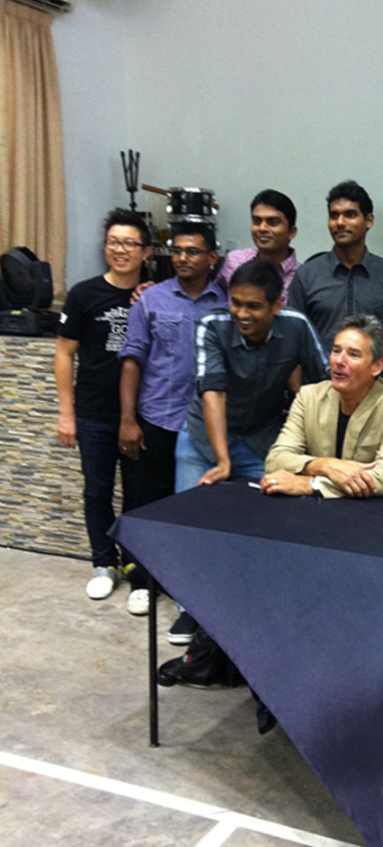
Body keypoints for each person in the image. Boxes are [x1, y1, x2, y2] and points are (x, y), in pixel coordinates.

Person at [168, 258, 329, 643]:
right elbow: (213, 392)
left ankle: (254, 601)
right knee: (192, 524)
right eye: (235, 303)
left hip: (261, 438)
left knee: (270, 522)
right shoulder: (212, 325)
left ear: (277, 305)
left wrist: (319, 454)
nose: (241, 313)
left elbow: (322, 384)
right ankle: (190, 610)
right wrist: (222, 461)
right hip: (204, 440)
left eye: (253, 306)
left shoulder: (297, 326)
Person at [117, 226, 225, 615]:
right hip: (157, 417)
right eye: (177, 251)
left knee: (193, 512)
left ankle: (186, 585)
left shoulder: (227, 304)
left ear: (212, 258)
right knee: (147, 505)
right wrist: (128, 419)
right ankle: (142, 581)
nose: (182, 258)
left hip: (204, 426)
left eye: (193, 251)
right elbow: (132, 360)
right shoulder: (151, 300)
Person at [55, 208, 151, 603]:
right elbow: (64, 354)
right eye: (114, 242)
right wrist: (66, 412)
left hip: (142, 414)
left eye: (129, 243)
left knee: (138, 494)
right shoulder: (83, 294)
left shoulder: (156, 292)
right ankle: (102, 563)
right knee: (97, 491)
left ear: (145, 251)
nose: (120, 250)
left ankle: (136, 566)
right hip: (93, 412)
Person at [263, 314, 383, 498]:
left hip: (368, 515)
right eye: (336, 351)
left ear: (377, 366)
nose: (339, 361)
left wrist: (312, 484)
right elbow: (276, 459)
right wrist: (325, 465)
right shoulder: (309, 396)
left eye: (353, 354)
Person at [286, 180, 383, 352]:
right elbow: (293, 338)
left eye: (350, 214)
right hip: (319, 377)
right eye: (334, 215)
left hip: (373, 377)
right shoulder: (306, 276)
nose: (340, 222)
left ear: (369, 220)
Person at [216, 189, 300, 303]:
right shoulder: (234, 261)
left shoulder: (302, 276)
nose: (262, 228)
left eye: (273, 222)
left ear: (292, 232)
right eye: (257, 221)